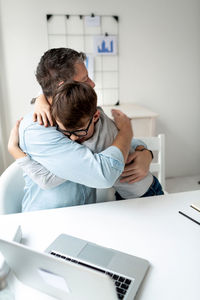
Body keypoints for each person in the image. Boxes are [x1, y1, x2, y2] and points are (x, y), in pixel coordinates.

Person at [9, 48, 152, 212]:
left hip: (86, 214)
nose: (92, 84)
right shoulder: (38, 129)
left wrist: (144, 152)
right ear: (65, 86)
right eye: (85, 79)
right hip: (49, 219)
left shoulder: (84, 110)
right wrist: (126, 130)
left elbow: (111, 140)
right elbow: (104, 174)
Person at [9, 82, 163, 200]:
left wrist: (14, 150)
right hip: (126, 194)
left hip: (146, 193)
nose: (74, 138)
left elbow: (47, 179)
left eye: (79, 132)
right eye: (65, 133)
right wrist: (40, 98)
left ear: (95, 116)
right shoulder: (92, 114)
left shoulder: (95, 143)